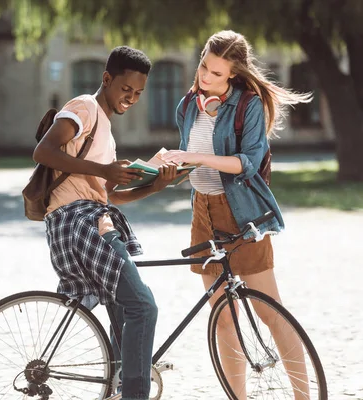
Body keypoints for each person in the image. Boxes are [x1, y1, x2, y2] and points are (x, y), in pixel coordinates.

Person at [160, 30, 312, 399]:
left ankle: (305, 396)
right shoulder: (187, 106)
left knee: (270, 313)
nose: (204, 77)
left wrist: (196, 158)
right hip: (203, 213)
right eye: (203, 67)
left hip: (243, 213)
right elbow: (188, 157)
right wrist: (162, 167)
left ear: (234, 74)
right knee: (223, 318)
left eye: (215, 73)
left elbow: (248, 163)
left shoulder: (249, 105)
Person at [33, 46, 181, 400]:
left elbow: (110, 196)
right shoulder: (84, 107)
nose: (131, 98)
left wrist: (155, 184)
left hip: (92, 218)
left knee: (125, 309)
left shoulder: (107, 131)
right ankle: (133, 394)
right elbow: (43, 150)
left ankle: (118, 388)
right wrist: (104, 170)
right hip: (78, 221)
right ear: (106, 79)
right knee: (143, 307)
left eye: (138, 94)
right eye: (125, 89)